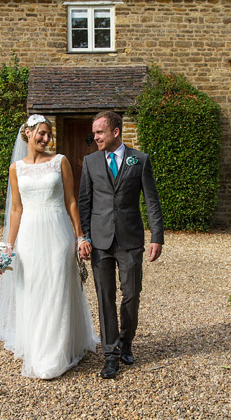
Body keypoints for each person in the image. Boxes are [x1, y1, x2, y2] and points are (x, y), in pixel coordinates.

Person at [0, 114, 98, 379]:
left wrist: (80, 236)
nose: (46, 139)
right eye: (42, 133)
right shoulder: (16, 169)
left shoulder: (60, 162)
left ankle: (56, 352)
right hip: (29, 236)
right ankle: (37, 349)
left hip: (58, 232)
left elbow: (71, 201)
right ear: (27, 133)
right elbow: (16, 209)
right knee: (34, 290)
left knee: (58, 287)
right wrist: (8, 247)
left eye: (49, 134)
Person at [78, 111, 164, 379]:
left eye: (100, 132)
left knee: (131, 294)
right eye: (94, 133)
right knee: (105, 299)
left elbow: (151, 200)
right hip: (100, 242)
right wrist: (84, 237)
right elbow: (84, 202)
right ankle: (111, 354)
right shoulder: (90, 162)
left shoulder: (139, 160)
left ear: (116, 132)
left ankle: (126, 342)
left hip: (130, 240)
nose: (95, 137)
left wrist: (157, 236)